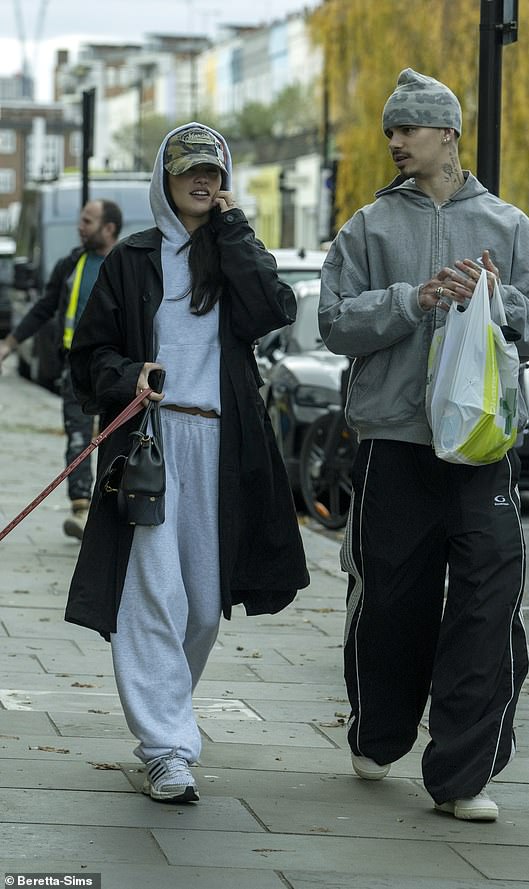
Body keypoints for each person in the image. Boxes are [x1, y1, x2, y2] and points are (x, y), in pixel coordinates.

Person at [318, 69, 529, 821]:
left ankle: (462, 774)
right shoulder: (368, 226)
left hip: (484, 447)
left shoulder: (510, 226)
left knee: (489, 605)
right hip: (394, 443)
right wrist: (414, 298)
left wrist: (498, 296)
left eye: (409, 128)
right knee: (394, 601)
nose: (395, 141)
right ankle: (380, 729)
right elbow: (332, 323)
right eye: (391, 130)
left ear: (448, 135)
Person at [64, 122, 309, 804]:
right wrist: (130, 374)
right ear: (164, 181)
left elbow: (272, 309)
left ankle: (164, 720)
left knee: (203, 605)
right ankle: (167, 746)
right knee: (153, 597)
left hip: (222, 448)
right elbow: (89, 359)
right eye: (188, 172)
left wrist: (233, 231)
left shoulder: (233, 250)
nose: (202, 181)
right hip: (150, 443)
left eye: (213, 171)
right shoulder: (133, 258)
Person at [0, 200, 122, 540]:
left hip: (118, 370)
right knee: (80, 438)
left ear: (108, 228)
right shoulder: (72, 264)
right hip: (77, 369)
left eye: (87, 221)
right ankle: (82, 511)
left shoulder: (126, 264)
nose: (80, 226)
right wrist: (9, 344)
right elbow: (44, 308)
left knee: (117, 442)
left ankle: (112, 512)